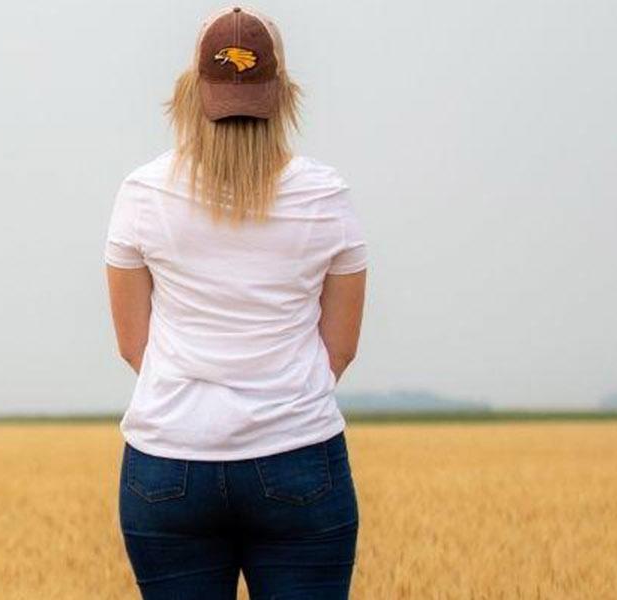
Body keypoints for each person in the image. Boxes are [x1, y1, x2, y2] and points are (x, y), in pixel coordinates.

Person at [102, 6, 367, 599]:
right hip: (299, 455)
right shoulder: (326, 196)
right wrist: (276, 396)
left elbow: (131, 343)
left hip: (167, 465)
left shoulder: (142, 193)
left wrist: (195, 397)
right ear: (284, 95)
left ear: (192, 93)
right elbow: (340, 348)